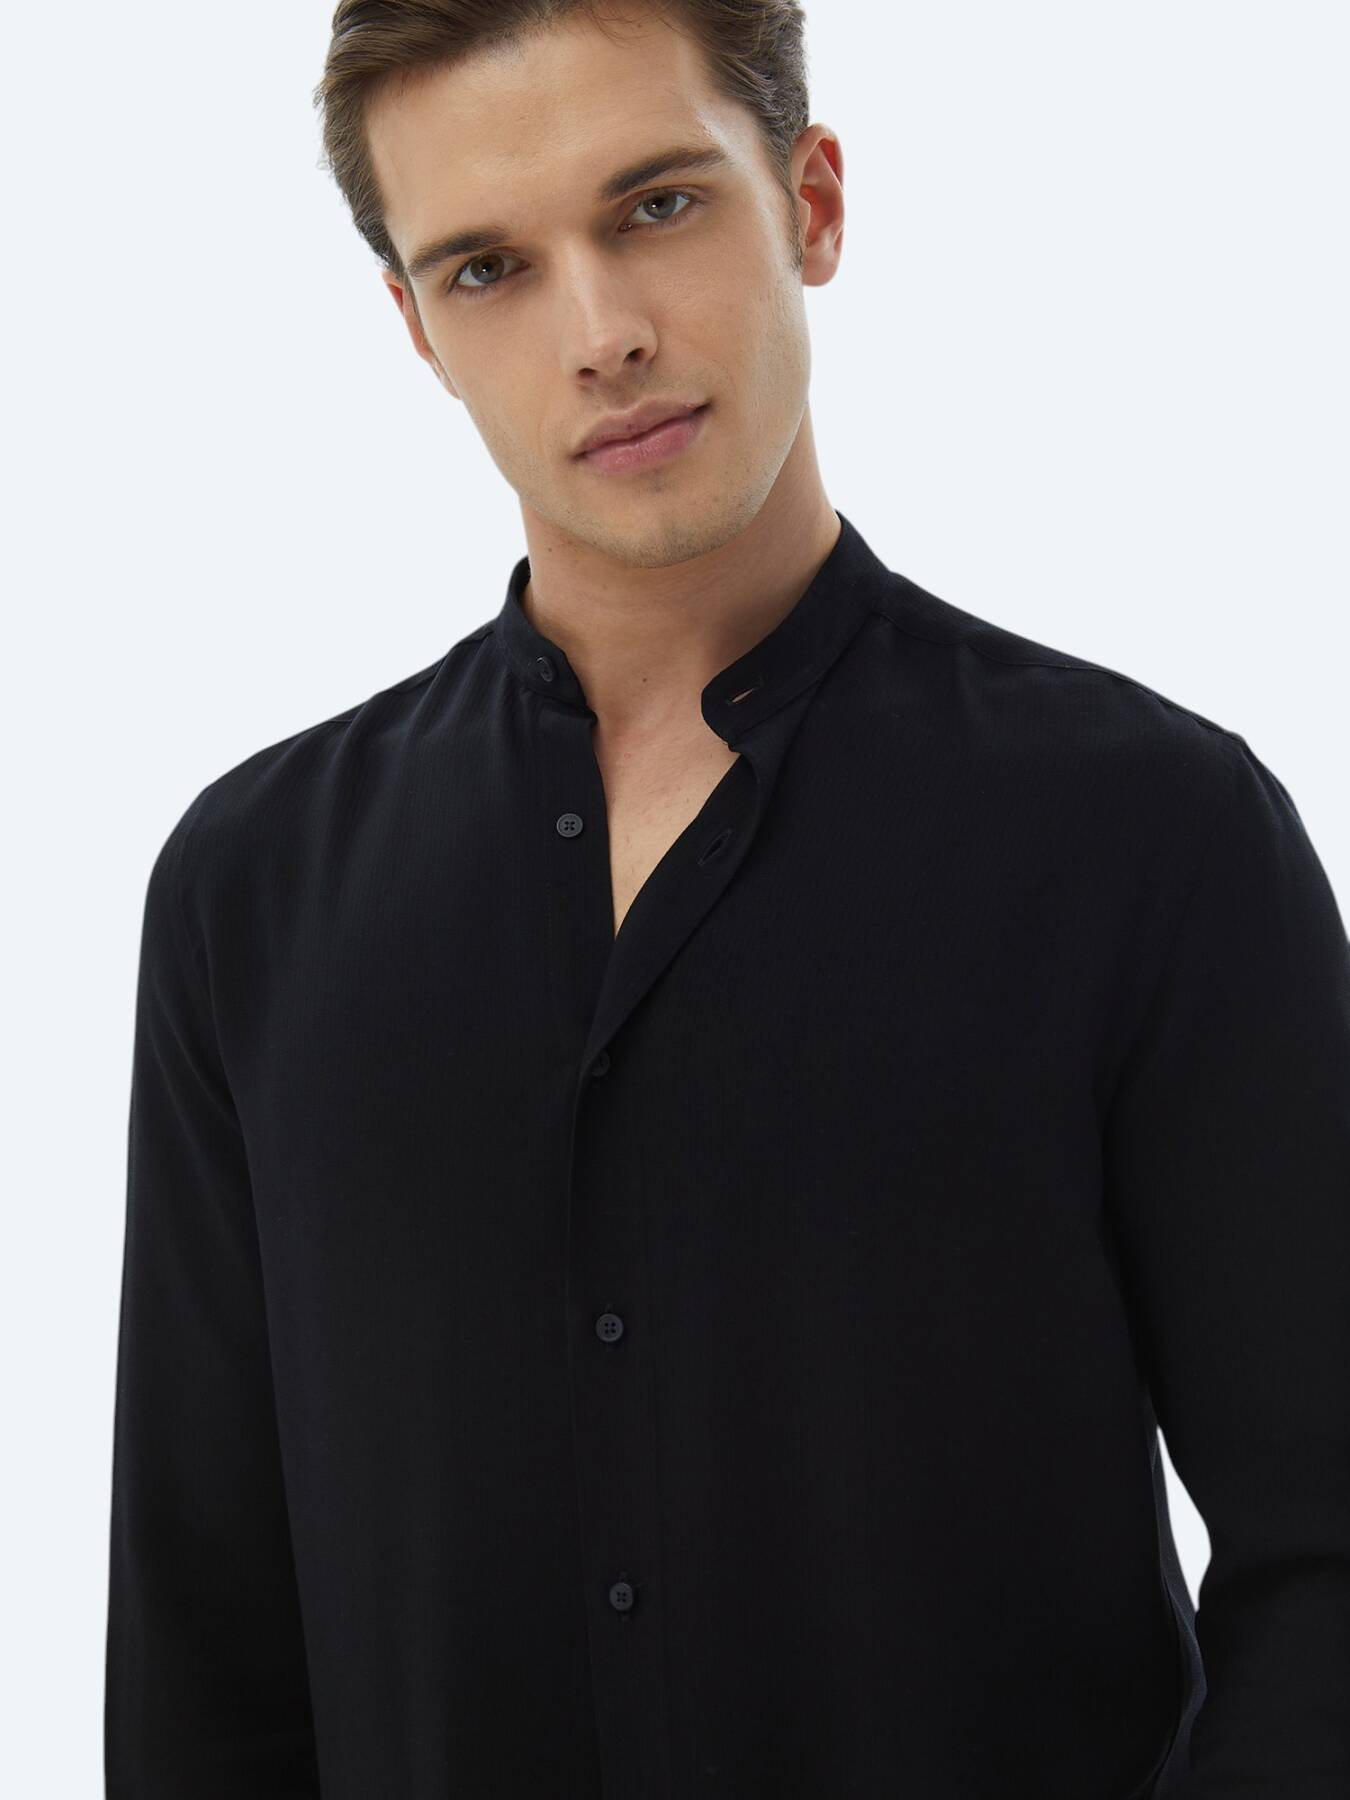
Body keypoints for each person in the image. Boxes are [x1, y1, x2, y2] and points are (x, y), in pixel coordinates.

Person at [103, 3, 1350, 1796]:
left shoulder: (1152, 832)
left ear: (809, 204)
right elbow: (205, 1645)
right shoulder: (253, 889)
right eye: (487, 267)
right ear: (417, 330)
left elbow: (1324, 1559)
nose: (600, 333)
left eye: (657, 207)